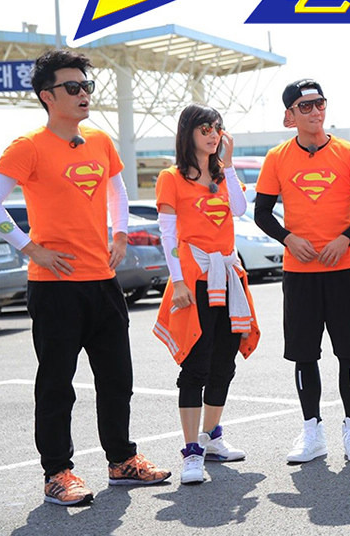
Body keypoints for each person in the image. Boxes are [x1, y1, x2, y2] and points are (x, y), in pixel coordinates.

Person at [0, 49, 170, 506]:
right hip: (55, 287)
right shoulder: (28, 146)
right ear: (47, 96)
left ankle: (122, 461)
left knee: (117, 379)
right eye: (72, 87)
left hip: (102, 280)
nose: (83, 94)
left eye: (87, 86)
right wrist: (30, 248)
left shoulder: (99, 140)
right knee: (57, 384)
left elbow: (117, 189)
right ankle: (57, 473)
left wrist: (120, 233)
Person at [254, 79, 350, 463]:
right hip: (299, 272)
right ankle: (312, 431)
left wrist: (346, 238)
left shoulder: (349, 153)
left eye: (319, 103)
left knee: (349, 352)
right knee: (305, 354)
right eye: (304, 106)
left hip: (342, 268)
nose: (314, 111)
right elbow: (261, 213)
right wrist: (288, 238)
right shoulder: (277, 157)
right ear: (290, 115)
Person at [153, 104, 260, 484]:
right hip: (195, 279)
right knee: (195, 365)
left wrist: (227, 165)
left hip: (228, 276)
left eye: (217, 128)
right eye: (205, 128)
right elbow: (168, 235)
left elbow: (240, 209)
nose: (213, 135)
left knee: (224, 362)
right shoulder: (171, 178)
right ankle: (191, 451)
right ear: (189, 133)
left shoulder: (222, 175)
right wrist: (178, 281)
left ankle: (212, 437)